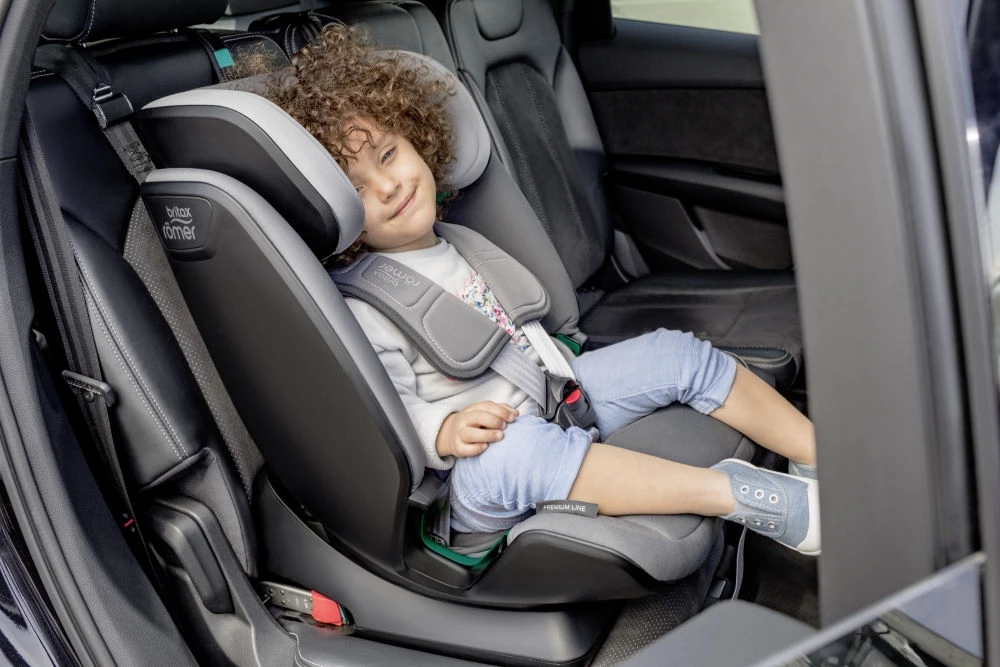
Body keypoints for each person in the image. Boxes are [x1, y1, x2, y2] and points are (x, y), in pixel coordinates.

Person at [268, 24, 820, 555]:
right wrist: (443, 430)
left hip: (553, 397)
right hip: (477, 471)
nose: (389, 186)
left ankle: (817, 455)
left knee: (673, 352)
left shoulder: (462, 243)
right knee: (521, 451)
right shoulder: (366, 307)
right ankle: (738, 495)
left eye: (388, 154)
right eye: (357, 189)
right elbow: (384, 415)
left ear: (417, 137)